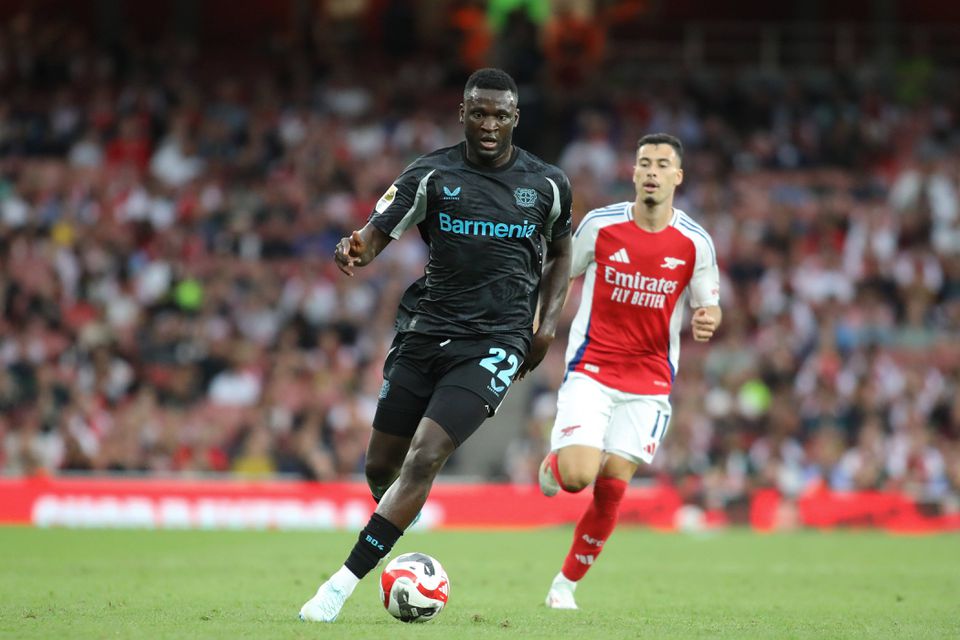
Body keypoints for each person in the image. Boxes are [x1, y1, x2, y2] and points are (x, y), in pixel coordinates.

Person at [299, 68, 573, 622]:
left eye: (500, 114)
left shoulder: (547, 184)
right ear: (462, 114)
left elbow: (562, 253)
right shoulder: (430, 174)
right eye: (479, 112)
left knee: (425, 456)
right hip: (426, 331)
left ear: (515, 117)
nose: (489, 124)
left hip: (496, 341)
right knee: (382, 466)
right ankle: (400, 514)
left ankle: (337, 588)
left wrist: (544, 328)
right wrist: (355, 250)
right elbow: (375, 235)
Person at [538, 133, 721, 609]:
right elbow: (563, 270)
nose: (653, 171)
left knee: (612, 487)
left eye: (663, 164)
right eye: (645, 163)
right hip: (592, 368)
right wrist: (540, 325)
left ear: (677, 177)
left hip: (650, 381)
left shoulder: (695, 242)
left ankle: (565, 586)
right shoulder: (601, 225)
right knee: (578, 477)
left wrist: (708, 318)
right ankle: (556, 462)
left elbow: (710, 303)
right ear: (634, 173)